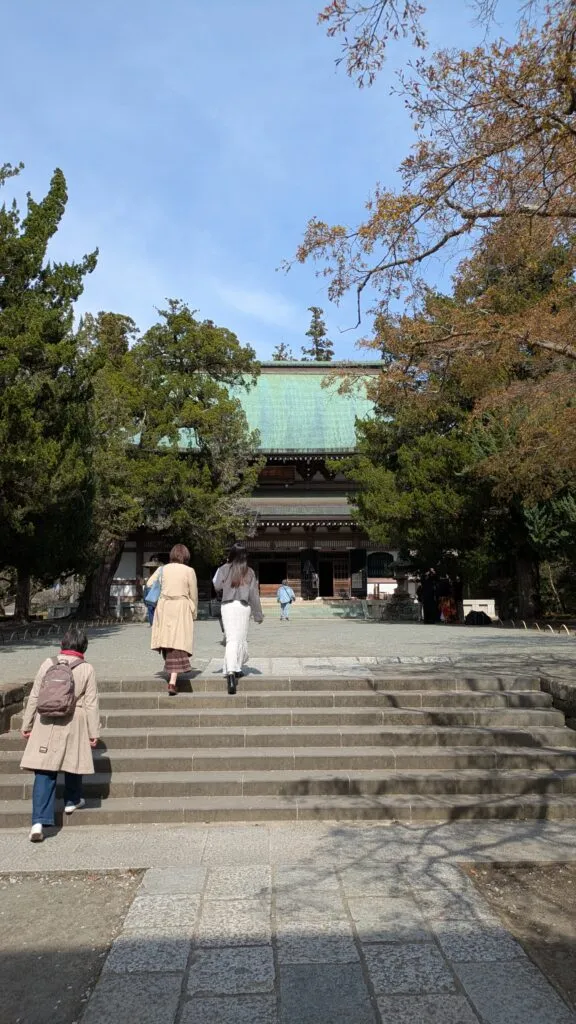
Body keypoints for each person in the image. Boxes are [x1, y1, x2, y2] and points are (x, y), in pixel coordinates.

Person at [20, 625, 100, 843]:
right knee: (73, 760)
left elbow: (35, 695)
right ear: (83, 647)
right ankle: (72, 801)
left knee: (44, 771)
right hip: (74, 718)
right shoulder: (86, 669)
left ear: (62, 644)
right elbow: (91, 703)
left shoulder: (48, 663)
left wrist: (27, 723)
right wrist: (93, 731)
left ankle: (38, 822)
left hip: (46, 719)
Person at [213, 542, 264, 694]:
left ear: (232, 554)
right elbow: (254, 594)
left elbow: (216, 585)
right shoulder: (250, 572)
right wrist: (258, 614)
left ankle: (232, 670)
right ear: (245, 555)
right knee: (240, 639)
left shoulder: (223, 569)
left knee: (231, 639)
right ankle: (234, 669)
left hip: (227, 606)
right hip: (243, 607)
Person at [150, 543, 198, 695]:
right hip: (180, 606)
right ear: (186, 556)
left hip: (164, 606)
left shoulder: (162, 569)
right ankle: (172, 681)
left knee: (167, 641)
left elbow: (149, 583)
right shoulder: (189, 571)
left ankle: (172, 674)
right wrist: (194, 611)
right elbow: (193, 593)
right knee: (178, 642)